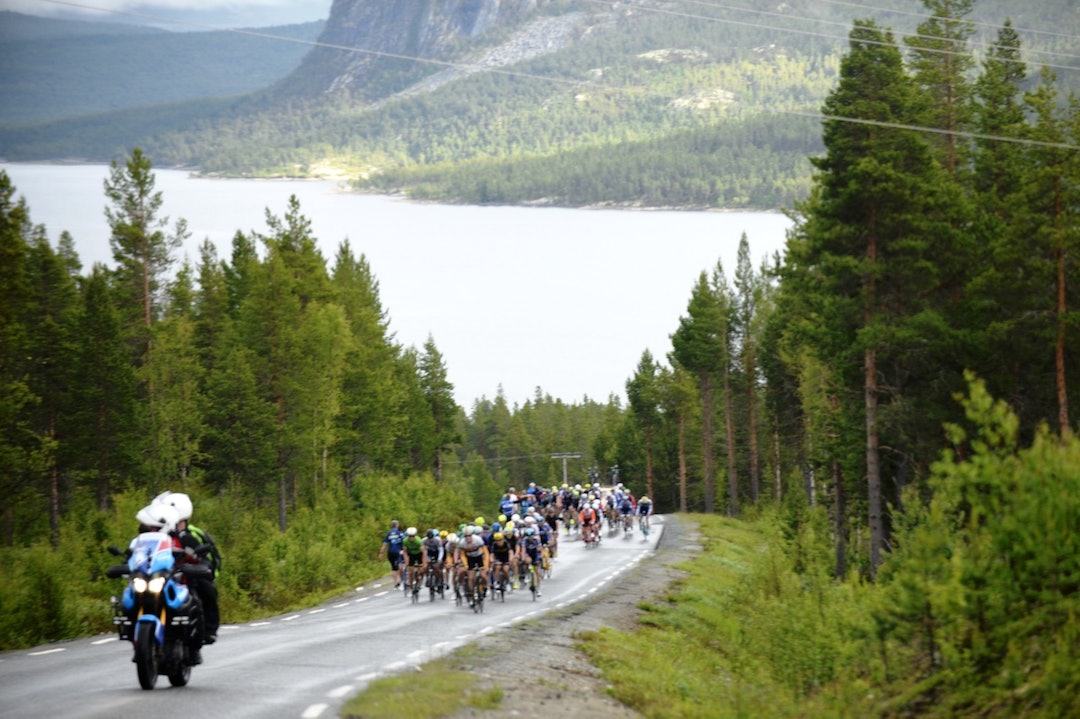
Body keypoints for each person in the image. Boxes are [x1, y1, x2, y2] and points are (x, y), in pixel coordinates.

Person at [152, 491, 221, 647]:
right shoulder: (154, 534)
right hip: (158, 575)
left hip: (185, 575)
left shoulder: (190, 535)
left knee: (206, 590)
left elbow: (204, 558)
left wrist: (196, 566)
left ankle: (207, 631)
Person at [378, 520, 407, 587]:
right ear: (397, 525)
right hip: (398, 552)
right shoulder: (400, 533)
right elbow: (405, 542)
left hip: (390, 552)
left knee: (394, 568)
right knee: (400, 565)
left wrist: (381, 553)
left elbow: (384, 544)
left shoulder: (388, 533)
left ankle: (395, 583)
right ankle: (401, 580)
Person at [402, 527, 425, 594]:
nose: (411, 537)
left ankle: (420, 580)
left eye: (413, 536)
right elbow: (405, 552)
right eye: (410, 536)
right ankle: (411, 585)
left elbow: (424, 552)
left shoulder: (418, 541)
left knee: (421, 570)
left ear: (415, 535)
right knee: (411, 571)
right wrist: (406, 561)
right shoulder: (405, 541)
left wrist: (424, 563)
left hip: (419, 554)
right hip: (411, 554)